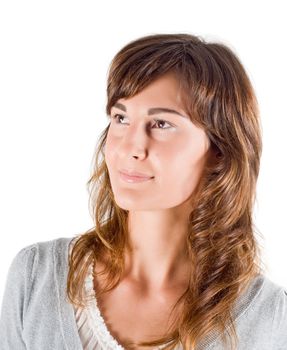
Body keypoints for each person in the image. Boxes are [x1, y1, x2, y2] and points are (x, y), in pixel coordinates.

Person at [0, 33, 286, 350]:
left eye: (161, 124)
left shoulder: (270, 318)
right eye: (121, 118)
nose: (130, 147)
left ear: (219, 149)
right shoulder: (35, 277)